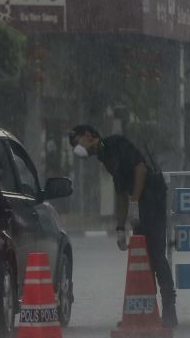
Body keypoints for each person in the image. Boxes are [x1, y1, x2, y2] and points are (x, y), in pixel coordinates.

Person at [68, 124, 178, 327]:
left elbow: (140, 169)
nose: (76, 148)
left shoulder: (116, 144)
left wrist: (135, 202)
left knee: (156, 254)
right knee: (144, 258)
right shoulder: (105, 157)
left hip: (152, 197)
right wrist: (120, 227)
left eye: (76, 142)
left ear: (89, 135)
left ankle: (169, 309)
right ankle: (146, 312)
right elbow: (120, 192)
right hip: (140, 201)